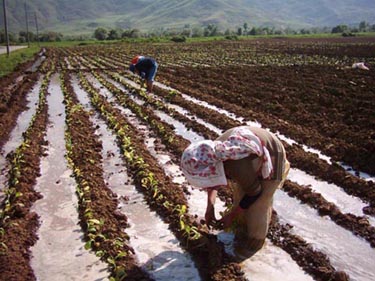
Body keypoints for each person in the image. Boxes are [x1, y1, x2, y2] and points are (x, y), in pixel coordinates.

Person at [180, 125, 290, 259]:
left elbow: (255, 193)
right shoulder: (210, 153)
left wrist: (231, 216)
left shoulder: (236, 164)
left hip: (272, 151)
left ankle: (253, 244)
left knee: (259, 204)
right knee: (240, 197)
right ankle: (241, 231)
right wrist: (210, 206)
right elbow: (212, 180)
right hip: (248, 157)